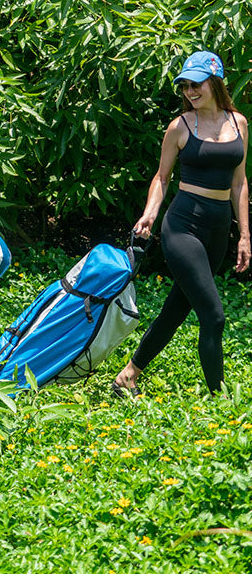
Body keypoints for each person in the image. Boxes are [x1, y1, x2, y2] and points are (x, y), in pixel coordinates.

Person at [112, 50, 249, 397]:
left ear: (215, 82)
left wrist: (245, 235)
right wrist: (150, 213)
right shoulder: (180, 127)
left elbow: (239, 183)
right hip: (183, 226)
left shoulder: (239, 123)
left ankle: (129, 374)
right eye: (185, 86)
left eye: (196, 84)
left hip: (218, 230)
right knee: (214, 317)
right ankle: (220, 399)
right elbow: (162, 177)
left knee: (176, 309)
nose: (190, 92)